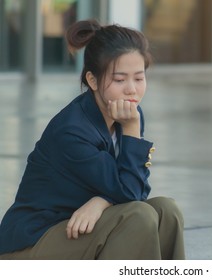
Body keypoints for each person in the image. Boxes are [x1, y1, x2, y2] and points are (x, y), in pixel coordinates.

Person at [0, 19, 185, 260]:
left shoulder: (130, 115)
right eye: (120, 80)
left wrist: (101, 202)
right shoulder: (72, 131)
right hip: (34, 243)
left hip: (83, 227)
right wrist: (107, 199)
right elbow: (130, 194)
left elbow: (135, 190)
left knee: (166, 210)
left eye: (139, 78)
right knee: (139, 216)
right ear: (92, 80)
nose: (132, 89)